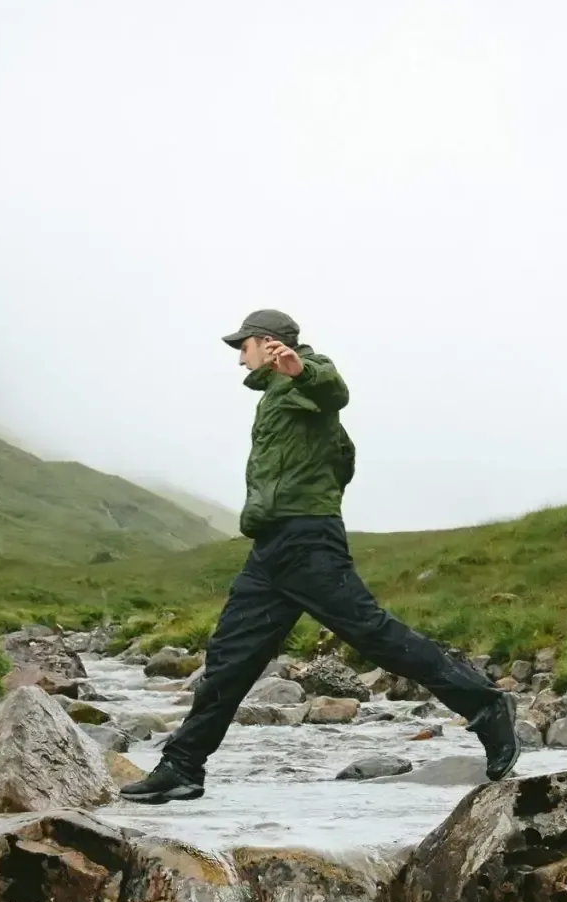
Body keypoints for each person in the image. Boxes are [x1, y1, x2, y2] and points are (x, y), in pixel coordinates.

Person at [120, 309, 521, 804]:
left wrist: (299, 370)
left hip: (306, 540)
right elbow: (343, 459)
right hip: (272, 548)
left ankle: (487, 707)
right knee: (228, 658)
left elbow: (336, 391)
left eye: (242, 346)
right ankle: (182, 767)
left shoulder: (305, 378)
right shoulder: (275, 398)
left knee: (374, 634)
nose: (238, 358)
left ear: (268, 344)